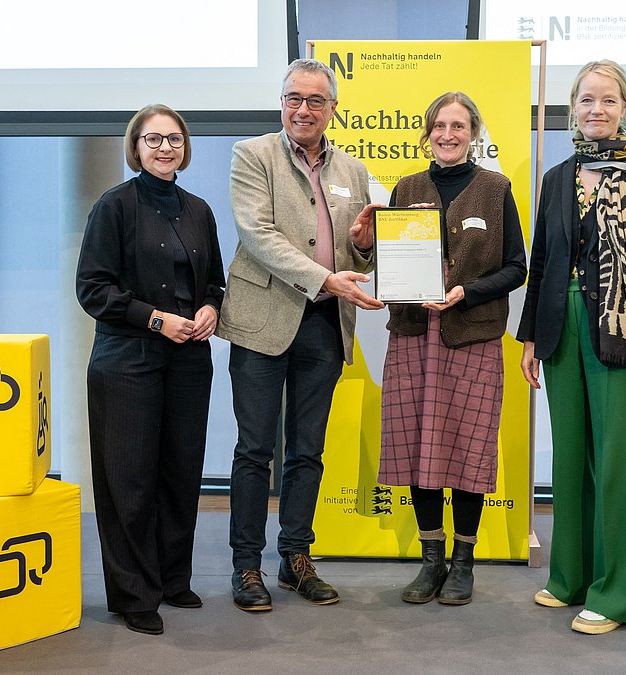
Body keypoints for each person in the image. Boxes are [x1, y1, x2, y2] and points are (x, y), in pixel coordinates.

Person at [517, 60, 626, 635]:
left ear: (625, 108)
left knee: (615, 464)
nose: (597, 109)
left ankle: (614, 595)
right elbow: (543, 262)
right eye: (587, 99)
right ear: (573, 108)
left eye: (608, 100)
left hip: (621, 330)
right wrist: (531, 337)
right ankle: (571, 577)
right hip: (560, 328)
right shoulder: (558, 177)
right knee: (569, 459)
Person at [217, 58, 384, 612]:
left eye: (315, 100)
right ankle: (246, 564)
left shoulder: (354, 170)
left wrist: (362, 245)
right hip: (262, 320)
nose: (303, 109)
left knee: (308, 449)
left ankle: (295, 558)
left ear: (333, 109)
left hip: (325, 324)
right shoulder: (252, 155)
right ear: (281, 102)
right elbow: (257, 234)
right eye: (294, 98)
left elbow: (357, 251)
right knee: (254, 449)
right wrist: (326, 278)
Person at [75, 104, 226, 635]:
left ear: (186, 147)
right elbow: (92, 290)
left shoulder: (199, 209)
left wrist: (210, 308)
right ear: (135, 147)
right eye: (154, 139)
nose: (166, 148)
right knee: (129, 481)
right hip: (127, 359)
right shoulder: (113, 206)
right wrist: (156, 319)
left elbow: (214, 282)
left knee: (180, 473)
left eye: (174, 139)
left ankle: (170, 579)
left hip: (188, 359)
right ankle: (133, 594)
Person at [378, 92, 526, 606]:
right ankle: (431, 561)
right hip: (413, 334)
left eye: (458, 126)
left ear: (474, 133)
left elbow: (517, 267)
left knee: (467, 448)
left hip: (472, 334)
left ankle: (463, 562)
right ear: (427, 133)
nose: (447, 134)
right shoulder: (406, 189)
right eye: (439, 125)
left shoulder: (495, 189)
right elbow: (389, 261)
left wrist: (468, 292)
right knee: (418, 447)